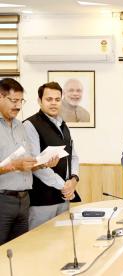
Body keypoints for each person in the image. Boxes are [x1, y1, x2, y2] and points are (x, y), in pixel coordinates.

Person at [0, 78, 57, 245]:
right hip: (3, 201)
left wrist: (43, 163)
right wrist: (13, 166)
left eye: (21, 101)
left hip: (24, 200)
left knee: (19, 251)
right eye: (13, 100)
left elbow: (28, 162)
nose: (18, 106)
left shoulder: (21, 126)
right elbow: (15, 165)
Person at [23, 82, 81, 230]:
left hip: (63, 198)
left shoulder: (63, 124)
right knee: (39, 245)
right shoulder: (30, 125)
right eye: (49, 99)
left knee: (61, 244)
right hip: (41, 200)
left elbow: (73, 156)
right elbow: (35, 164)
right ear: (39, 101)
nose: (54, 103)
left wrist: (74, 179)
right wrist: (65, 187)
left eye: (57, 99)